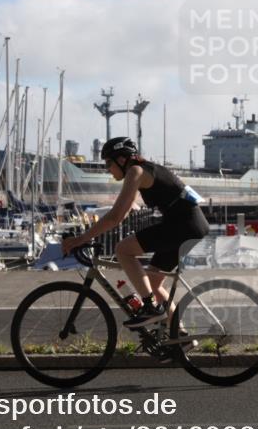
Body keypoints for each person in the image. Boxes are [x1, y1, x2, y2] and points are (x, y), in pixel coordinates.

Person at [61, 137, 209, 328]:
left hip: (184, 225)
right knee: (153, 283)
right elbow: (123, 212)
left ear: (122, 160)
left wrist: (80, 239)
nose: (107, 169)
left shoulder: (135, 172)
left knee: (123, 250)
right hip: (189, 225)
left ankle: (150, 308)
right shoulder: (143, 170)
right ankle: (180, 336)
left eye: (109, 163)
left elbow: (115, 217)